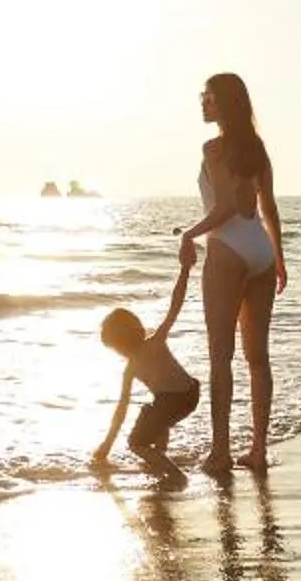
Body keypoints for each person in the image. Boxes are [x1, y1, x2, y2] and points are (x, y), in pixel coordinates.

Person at [177, 70, 287, 477]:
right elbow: (268, 209)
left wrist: (189, 234)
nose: (203, 103)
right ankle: (258, 450)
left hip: (227, 250)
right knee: (258, 358)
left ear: (225, 103)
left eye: (208, 97)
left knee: (220, 356)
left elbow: (223, 209)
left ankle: (220, 453)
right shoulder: (257, 148)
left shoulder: (214, 149)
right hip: (259, 250)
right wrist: (278, 258)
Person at [91, 262, 201, 477]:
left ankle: (175, 474)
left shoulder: (133, 366)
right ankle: (159, 455)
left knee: (136, 443)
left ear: (119, 344)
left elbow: (121, 410)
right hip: (191, 394)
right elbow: (175, 307)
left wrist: (107, 445)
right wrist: (185, 270)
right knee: (154, 413)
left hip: (172, 401)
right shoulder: (155, 342)